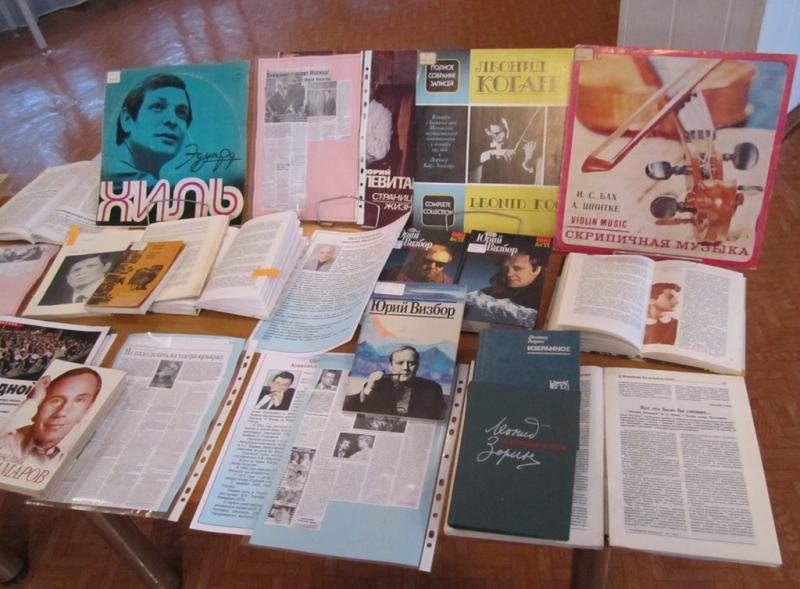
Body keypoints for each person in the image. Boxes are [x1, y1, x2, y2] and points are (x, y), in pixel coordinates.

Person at [0, 367, 102, 464]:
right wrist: (33, 400)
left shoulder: (89, 446)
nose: (61, 413)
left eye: (79, 400)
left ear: (87, 409)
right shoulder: (10, 438)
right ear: (40, 404)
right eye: (56, 401)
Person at [106, 73, 193, 186]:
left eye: (181, 112)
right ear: (127, 119)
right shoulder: (118, 176)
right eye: (157, 106)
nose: (172, 120)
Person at [342, 346, 447, 420]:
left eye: (411, 363)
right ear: (391, 367)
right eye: (400, 363)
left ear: (417, 366)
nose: (405, 368)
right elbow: (349, 411)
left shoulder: (432, 388)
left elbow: (440, 417)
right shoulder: (377, 385)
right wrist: (368, 390)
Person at [472, 117, 536, 184]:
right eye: (497, 133)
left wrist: (528, 158)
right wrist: (494, 152)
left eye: (504, 130)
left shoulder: (518, 144)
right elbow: (472, 162)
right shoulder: (481, 145)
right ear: (488, 132)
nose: (503, 135)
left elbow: (525, 178)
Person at [479, 250, 545, 310]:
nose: (508, 274)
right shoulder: (487, 293)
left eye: (517, 268)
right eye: (505, 268)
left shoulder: (544, 297)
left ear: (537, 270)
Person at [48, 253, 116, 305]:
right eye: (76, 269)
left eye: (91, 266)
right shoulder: (56, 301)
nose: (82, 272)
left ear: (106, 267)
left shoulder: (116, 292)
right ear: (67, 278)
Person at [381, 245, 453, 284]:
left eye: (440, 264)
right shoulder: (395, 274)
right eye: (427, 261)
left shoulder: (445, 281)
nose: (432, 266)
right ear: (417, 258)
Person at [365, 67, 392, 165]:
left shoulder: (383, 114)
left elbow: (381, 152)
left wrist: (360, 136)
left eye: (367, 84)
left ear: (375, 85)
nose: (363, 89)